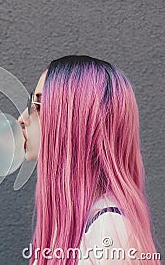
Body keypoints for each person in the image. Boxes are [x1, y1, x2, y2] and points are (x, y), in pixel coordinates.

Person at [18, 55, 161, 264]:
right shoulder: (83, 225)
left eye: (38, 105)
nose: (22, 118)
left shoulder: (108, 235)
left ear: (76, 121)